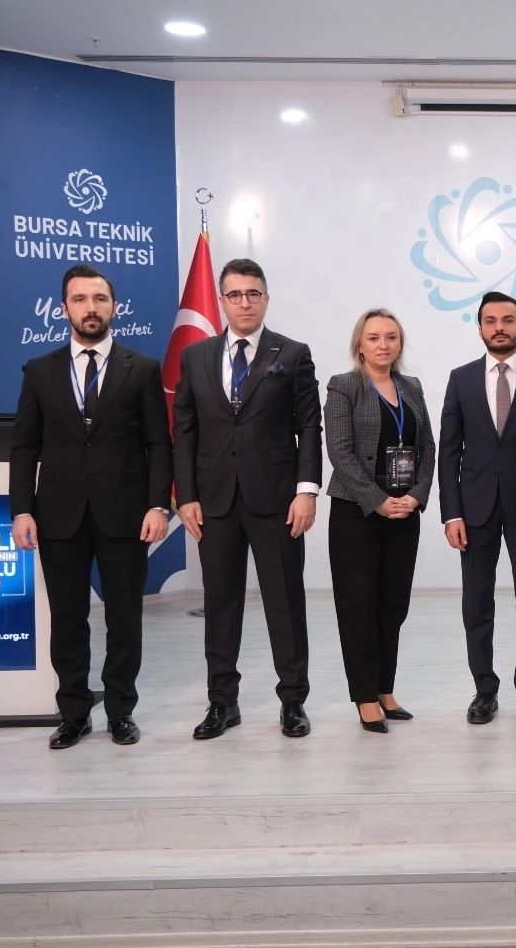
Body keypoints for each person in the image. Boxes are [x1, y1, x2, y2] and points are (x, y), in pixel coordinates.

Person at [9, 264, 172, 750]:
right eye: (80, 299)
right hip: (58, 515)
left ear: (114, 306)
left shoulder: (142, 367)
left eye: (99, 299)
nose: (91, 308)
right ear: (65, 309)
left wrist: (158, 504)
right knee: (67, 618)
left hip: (126, 513)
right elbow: (25, 446)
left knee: (124, 617)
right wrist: (21, 509)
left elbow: (158, 443)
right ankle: (74, 713)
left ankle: (120, 710)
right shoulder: (40, 370)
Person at [172, 258, 323, 739]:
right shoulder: (196, 356)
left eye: (252, 293)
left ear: (266, 298)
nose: (244, 302)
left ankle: (293, 701)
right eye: (234, 294)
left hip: (278, 500)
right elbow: (184, 431)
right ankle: (223, 703)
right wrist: (185, 495)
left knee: (285, 602)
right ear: (221, 301)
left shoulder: (292, 353)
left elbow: (309, 427)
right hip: (213, 501)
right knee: (220, 604)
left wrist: (306, 491)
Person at [439, 292, 516, 725]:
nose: (499, 327)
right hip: (474, 510)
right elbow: (448, 452)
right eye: (490, 321)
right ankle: (484, 690)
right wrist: (451, 513)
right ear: (480, 329)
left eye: (508, 320)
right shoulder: (461, 379)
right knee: (477, 603)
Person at [323, 309, 435, 733]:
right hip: (356, 513)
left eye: (391, 337)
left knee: (393, 606)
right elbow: (340, 451)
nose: (383, 345)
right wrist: (377, 501)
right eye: (373, 337)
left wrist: (416, 496)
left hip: (404, 512)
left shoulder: (412, 386)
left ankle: (385, 689)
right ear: (360, 344)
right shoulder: (344, 385)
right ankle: (365, 697)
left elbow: (427, 448)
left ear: (400, 343)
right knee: (359, 607)